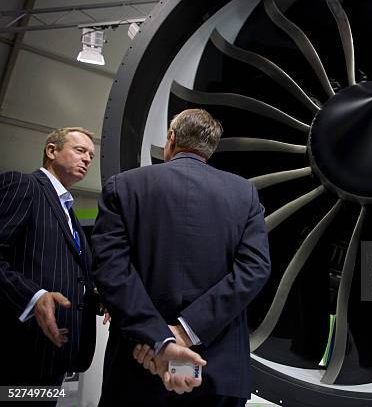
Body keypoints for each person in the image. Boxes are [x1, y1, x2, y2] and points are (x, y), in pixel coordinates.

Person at [92, 108, 271, 406]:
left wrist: (160, 340)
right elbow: (254, 270)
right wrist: (187, 330)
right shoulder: (245, 194)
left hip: (140, 365)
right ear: (209, 149)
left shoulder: (123, 186)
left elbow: (112, 272)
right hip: (216, 369)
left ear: (172, 139)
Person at [0, 127, 98, 394]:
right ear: (51, 151)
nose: (88, 159)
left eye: (91, 155)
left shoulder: (70, 212)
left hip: (55, 356)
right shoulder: (23, 186)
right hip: (21, 352)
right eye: (80, 150)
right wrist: (34, 296)